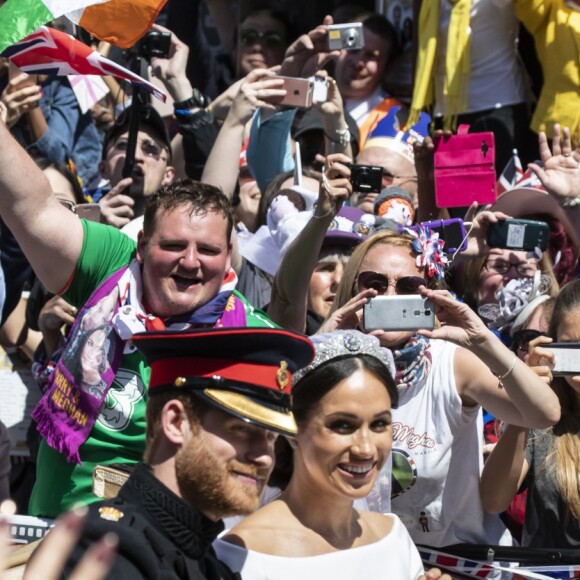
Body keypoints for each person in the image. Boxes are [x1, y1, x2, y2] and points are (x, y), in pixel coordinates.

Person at [321, 230, 560, 546]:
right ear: (354, 288)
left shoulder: (452, 364)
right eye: (375, 284)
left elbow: (544, 413)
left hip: (456, 562)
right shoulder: (333, 367)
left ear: (429, 295)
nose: (390, 296)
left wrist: (482, 340)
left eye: (407, 286)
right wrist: (321, 344)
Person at [61, 326, 315, 579]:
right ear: (175, 422)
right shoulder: (108, 551)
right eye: (241, 430)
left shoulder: (208, 565)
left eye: (271, 437)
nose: (264, 457)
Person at [214, 330, 448, 580]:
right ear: (293, 430)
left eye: (379, 424)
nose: (365, 449)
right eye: (343, 426)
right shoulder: (239, 554)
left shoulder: (394, 538)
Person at [481, 279, 580, 548]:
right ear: (553, 348)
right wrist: (525, 405)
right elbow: (493, 500)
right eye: (573, 348)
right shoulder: (543, 420)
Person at [97, 104, 175, 231]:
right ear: (103, 169)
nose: (135, 156)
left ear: (168, 175)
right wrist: (94, 230)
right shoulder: (80, 225)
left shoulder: (180, 230)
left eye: (150, 148)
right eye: (122, 145)